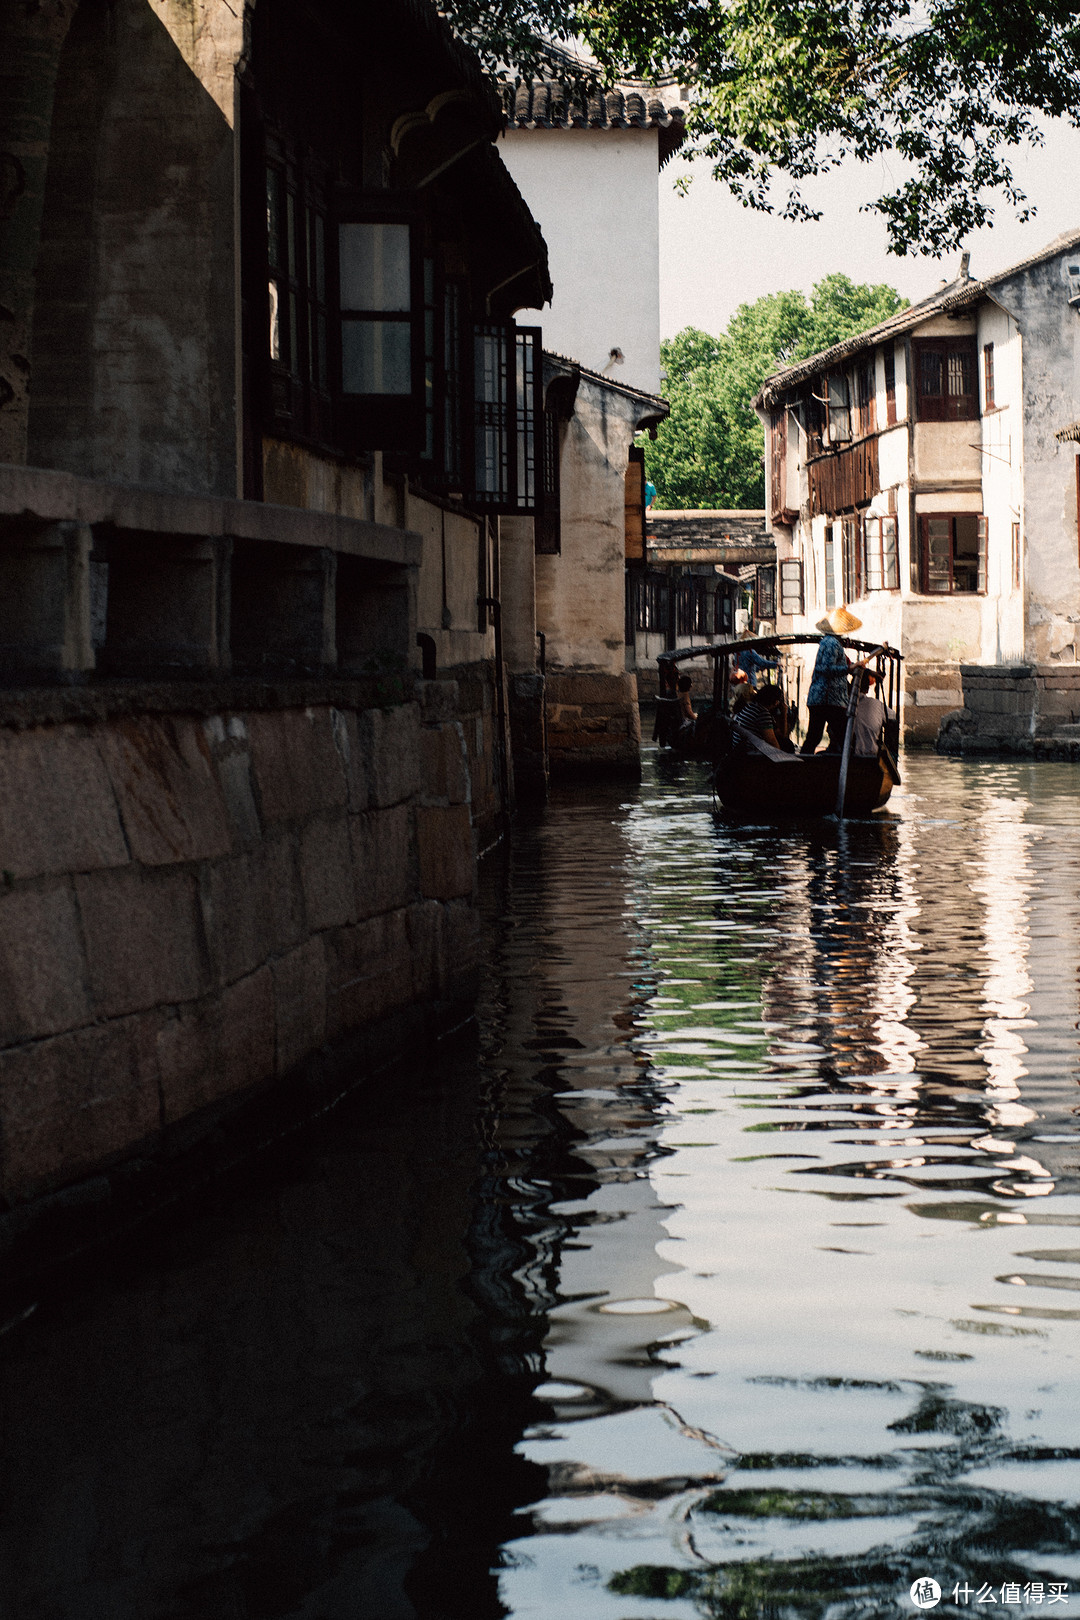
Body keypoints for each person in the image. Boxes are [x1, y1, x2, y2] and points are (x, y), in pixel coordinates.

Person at [801, 606, 861, 754]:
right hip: (828, 699)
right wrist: (849, 669)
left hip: (826, 700)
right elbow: (825, 669)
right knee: (841, 735)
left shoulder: (830, 643)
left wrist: (851, 667)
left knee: (816, 736)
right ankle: (852, 765)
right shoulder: (831, 643)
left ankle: (803, 761)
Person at [734, 683, 792, 752]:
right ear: (776, 702)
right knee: (788, 745)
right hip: (750, 753)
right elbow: (773, 741)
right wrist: (784, 713)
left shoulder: (751, 706)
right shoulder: (762, 713)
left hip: (740, 749)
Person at [852, 670, 886, 756]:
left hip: (848, 752)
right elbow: (893, 718)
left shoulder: (842, 704)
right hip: (870, 752)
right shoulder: (877, 704)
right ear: (867, 690)